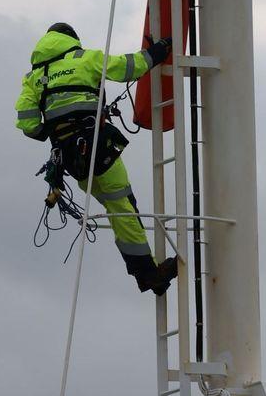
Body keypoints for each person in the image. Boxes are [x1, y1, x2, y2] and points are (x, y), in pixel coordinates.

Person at [17, 24, 179, 294]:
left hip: (69, 158)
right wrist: (157, 52)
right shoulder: (85, 58)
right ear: (72, 40)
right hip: (96, 148)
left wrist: (54, 129)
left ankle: (145, 272)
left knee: (117, 209)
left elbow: (28, 124)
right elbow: (128, 67)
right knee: (124, 206)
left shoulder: (34, 77)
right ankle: (148, 274)